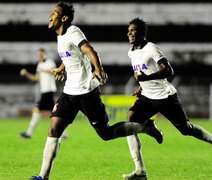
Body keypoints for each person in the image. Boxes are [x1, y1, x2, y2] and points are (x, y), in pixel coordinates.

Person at [30, 3, 163, 180]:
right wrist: (62, 67)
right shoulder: (60, 36)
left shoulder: (73, 31)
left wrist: (98, 69)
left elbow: (89, 50)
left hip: (86, 91)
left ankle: (145, 127)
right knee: (54, 130)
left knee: (106, 134)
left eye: (54, 13)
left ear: (64, 18)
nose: (50, 15)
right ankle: (42, 176)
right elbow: (72, 55)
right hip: (69, 92)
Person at [122, 17, 212, 180]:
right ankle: (140, 171)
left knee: (186, 130)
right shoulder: (131, 52)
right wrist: (142, 88)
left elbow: (168, 70)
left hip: (165, 97)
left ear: (142, 33)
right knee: (130, 122)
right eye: (128, 30)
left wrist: (146, 79)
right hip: (148, 97)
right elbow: (146, 73)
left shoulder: (152, 49)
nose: (130, 33)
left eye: (133, 30)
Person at [19, 48, 68, 140]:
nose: (39, 56)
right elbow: (36, 78)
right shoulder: (40, 65)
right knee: (54, 112)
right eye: (38, 55)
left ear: (44, 54)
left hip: (49, 90)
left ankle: (29, 133)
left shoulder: (50, 63)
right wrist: (26, 74)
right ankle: (64, 133)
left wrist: (43, 70)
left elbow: (55, 73)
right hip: (44, 91)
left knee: (37, 109)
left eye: (41, 54)